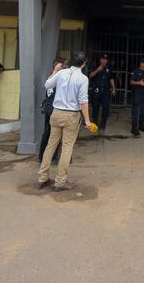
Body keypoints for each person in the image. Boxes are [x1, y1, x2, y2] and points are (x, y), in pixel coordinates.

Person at [37, 51, 95, 191]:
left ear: (70, 62)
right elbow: (83, 101)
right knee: (67, 148)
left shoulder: (61, 73)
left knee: (51, 145)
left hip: (56, 114)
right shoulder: (83, 78)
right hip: (71, 116)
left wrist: (55, 70)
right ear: (83, 63)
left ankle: (42, 178)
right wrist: (87, 120)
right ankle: (60, 182)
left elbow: (47, 85)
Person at [39, 58, 66, 163]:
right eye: (61, 67)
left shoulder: (53, 77)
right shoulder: (53, 78)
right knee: (51, 133)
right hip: (52, 110)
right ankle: (48, 157)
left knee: (51, 133)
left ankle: (46, 156)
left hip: (52, 109)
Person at [89, 54, 116, 130]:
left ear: (107, 61)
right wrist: (98, 70)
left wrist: (114, 88)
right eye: (102, 59)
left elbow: (111, 78)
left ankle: (103, 123)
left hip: (106, 91)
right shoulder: (95, 67)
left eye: (105, 59)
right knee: (95, 107)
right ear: (100, 60)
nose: (104, 60)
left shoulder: (109, 68)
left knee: (106, 107)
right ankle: (95, 122)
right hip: (96, 90)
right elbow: (90, 75)